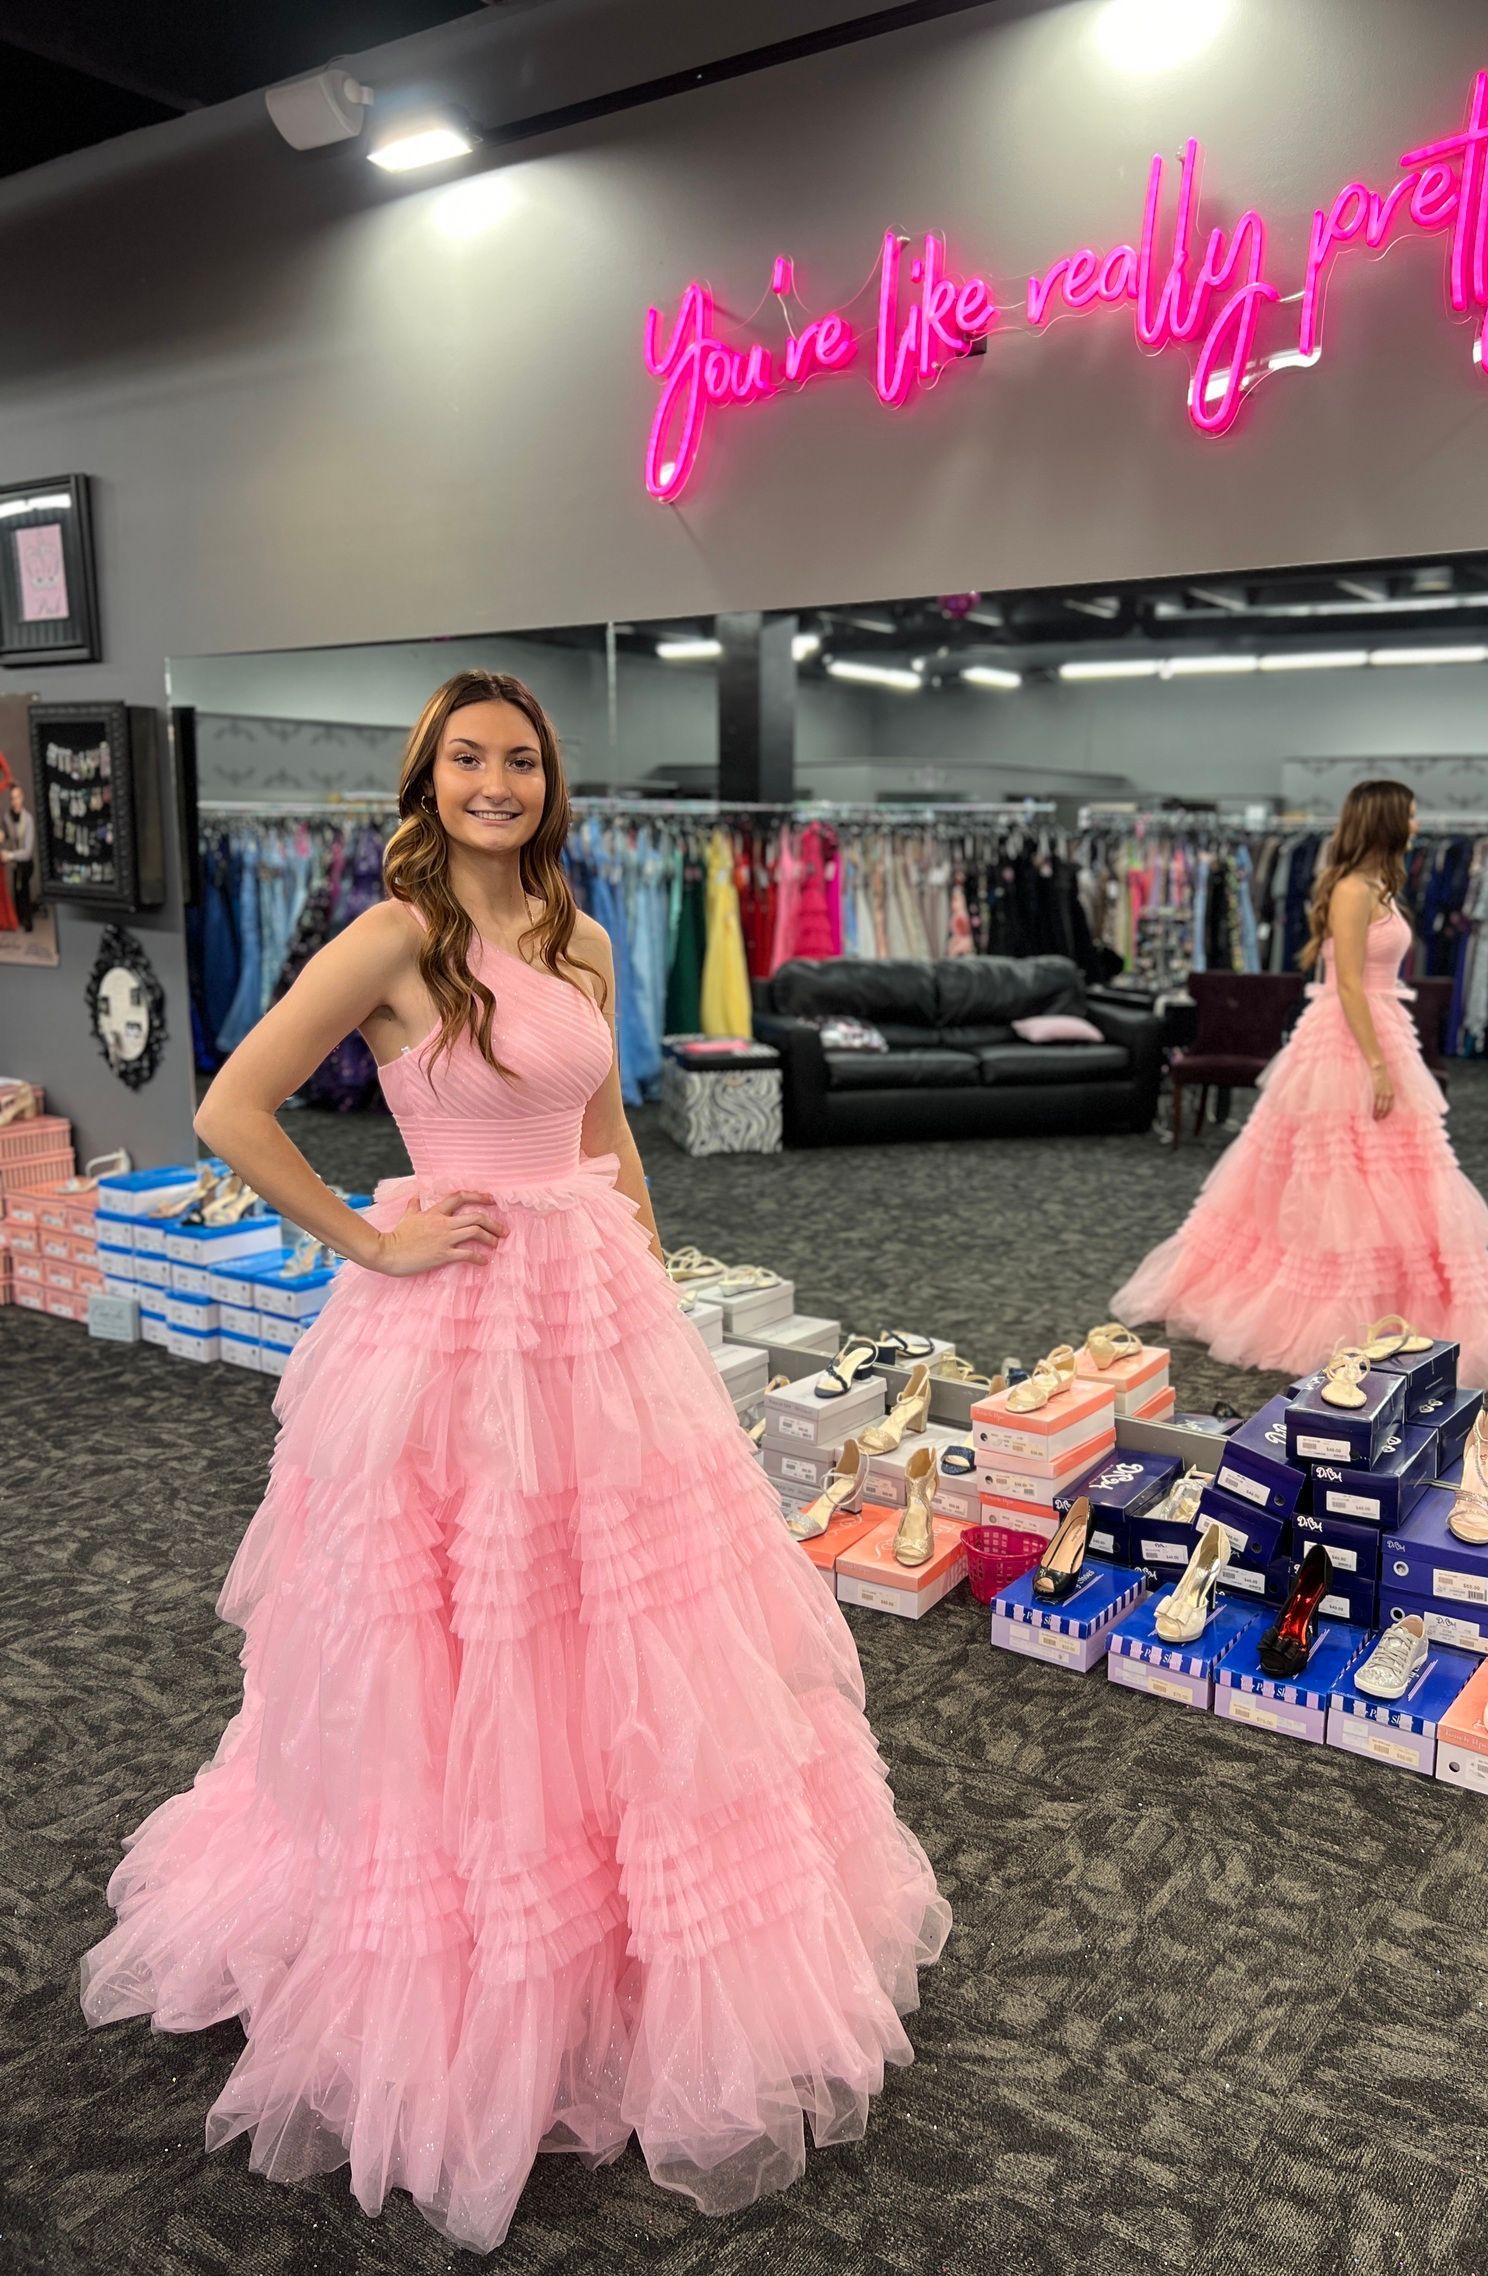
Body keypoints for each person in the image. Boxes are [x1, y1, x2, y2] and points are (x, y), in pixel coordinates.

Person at [78, 670, 949, 2256]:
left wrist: (664, 1302)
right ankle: (472, 1968)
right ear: (429, 779)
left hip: (597, 1314)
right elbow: (231, 1104)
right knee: (463, 1629)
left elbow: (608, 1138)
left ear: (550, 785)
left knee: (622, 1634)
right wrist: (366, 1238)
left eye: (522, 761)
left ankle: (619, 1951)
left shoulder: (585, 937)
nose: (497, 782)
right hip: (457, 1320)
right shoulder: (396, 938)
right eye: (469, 759)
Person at [1109, 778, 1488, 1387]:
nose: (1417, 826)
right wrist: (1374, 1064)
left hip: (1381, 1027)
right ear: (1386, 821)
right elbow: (1345, 985)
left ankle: (1393, 1299)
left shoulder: (1382, 888)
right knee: (1335, 1174)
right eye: (1410, 817)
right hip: (1347, 1039)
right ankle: (1315, 1307)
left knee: (1395, 1173)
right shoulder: (1350, 889)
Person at [3, 781, 34, 926]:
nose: (14, 801)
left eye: (17, 797)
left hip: (25, 862)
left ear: (22, 798)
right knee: (16, 889)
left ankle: (27, 919)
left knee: (23, 887)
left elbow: (27, 852)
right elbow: (8, 838)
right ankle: (18, 917)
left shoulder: (28, 820)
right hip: (14, 861)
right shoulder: (7, 818)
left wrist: (10, 855)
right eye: (12, 798)